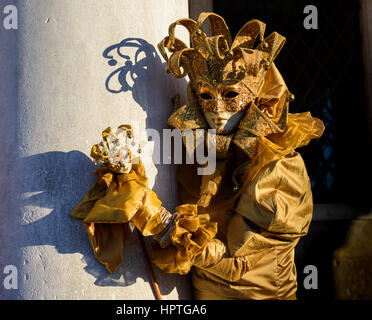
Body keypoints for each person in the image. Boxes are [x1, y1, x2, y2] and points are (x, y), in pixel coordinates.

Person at [70, 13, 324, 300]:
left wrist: (159, 221)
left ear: (257, 99)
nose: (217, 110)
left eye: (230, 94)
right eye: (205, 95)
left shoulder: (278, 170)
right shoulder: (200, 154)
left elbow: (237, 264)